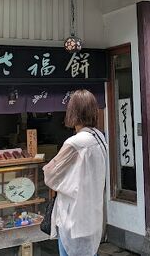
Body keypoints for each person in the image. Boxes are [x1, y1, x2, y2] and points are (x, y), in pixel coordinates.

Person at [43, 90, 108, 256]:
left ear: (73, 112)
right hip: (93, 215)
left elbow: (50, 174)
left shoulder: (75, 143)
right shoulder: (100, 138)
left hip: (72, 217)